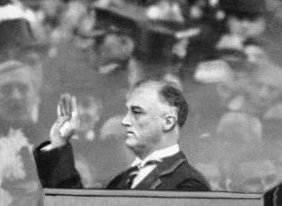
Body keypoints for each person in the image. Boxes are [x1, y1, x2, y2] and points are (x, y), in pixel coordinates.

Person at [35, 79, 209, 191]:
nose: (125, 121)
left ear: (168, 121)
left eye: (137, 112)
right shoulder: (122, 180)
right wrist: (59, 145)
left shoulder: (188, 185)